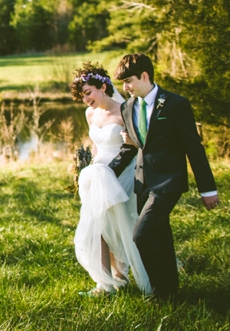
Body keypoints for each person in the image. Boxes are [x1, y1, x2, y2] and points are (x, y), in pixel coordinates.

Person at [109, 53, 219, 299]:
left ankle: (158, 293)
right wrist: (106, 171)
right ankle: (171, 291)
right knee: (160, 237)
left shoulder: (175, 104)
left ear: (145, 76)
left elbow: (194, 147)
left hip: (168, 181)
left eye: (128, 81)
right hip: (142, 182)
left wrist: (208, 189)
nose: (125, 88)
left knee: (142, 235)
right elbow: (130, 147)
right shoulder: (127, 107)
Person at [69, 62, 152, 297]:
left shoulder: (125, 110)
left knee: (120, 225)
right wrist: (85, 170)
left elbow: (137, 146)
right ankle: (104, 284)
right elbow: (95, 146)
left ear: (103, 86)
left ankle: (122, 276)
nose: (86, 99)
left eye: (88, 93)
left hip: (122, 175)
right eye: (82, 95)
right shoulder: (89, 113)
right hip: (97, 175)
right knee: (98, 226)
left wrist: (129, 146)